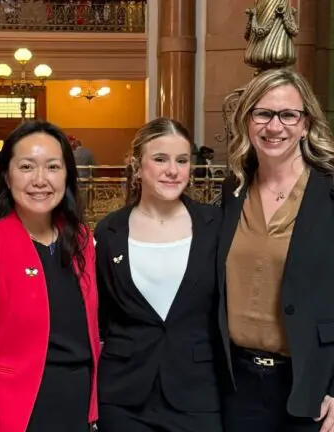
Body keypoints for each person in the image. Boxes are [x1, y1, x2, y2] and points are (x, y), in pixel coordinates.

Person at [218, 68, 334, 432]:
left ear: (306, 122)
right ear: (246, 120)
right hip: (237, 385)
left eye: (288, 115)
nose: (274, 127)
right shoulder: (234, 188)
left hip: (316, 386)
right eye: (262, 113)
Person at [0, 120, 101, 432]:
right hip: (16, 413)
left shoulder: (81, 240)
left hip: (76, 409)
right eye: (26, 167)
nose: (40, 180)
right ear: (6, 175)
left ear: (67, 175)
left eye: (53, 167)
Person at [94, 117, 223, 431]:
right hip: (124, 395)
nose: (172, 170)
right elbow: (100, 313)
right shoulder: (110, 231)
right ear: (138, 165)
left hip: (198, 393)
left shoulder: (215, 225)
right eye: (160, 159)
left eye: (182, 161)